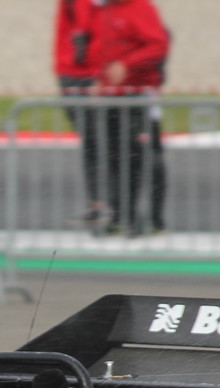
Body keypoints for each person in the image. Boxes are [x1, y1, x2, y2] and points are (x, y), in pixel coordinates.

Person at [86, 0, 167, 236]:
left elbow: (157, 45)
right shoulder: (106, 10)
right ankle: (121, 216)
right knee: (115, 158)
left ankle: (153, 219)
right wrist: (100, 78)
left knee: (144, 158)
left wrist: (127, 64)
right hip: (113, 96)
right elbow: (104, 50)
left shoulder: (139, 8)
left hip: (138, 96)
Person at [53, 0, 104, 228]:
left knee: (97, 142)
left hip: (81, 73)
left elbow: (84, 24)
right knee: (96, 142)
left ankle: (103, 206)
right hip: (78, 71)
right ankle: (101, 205)